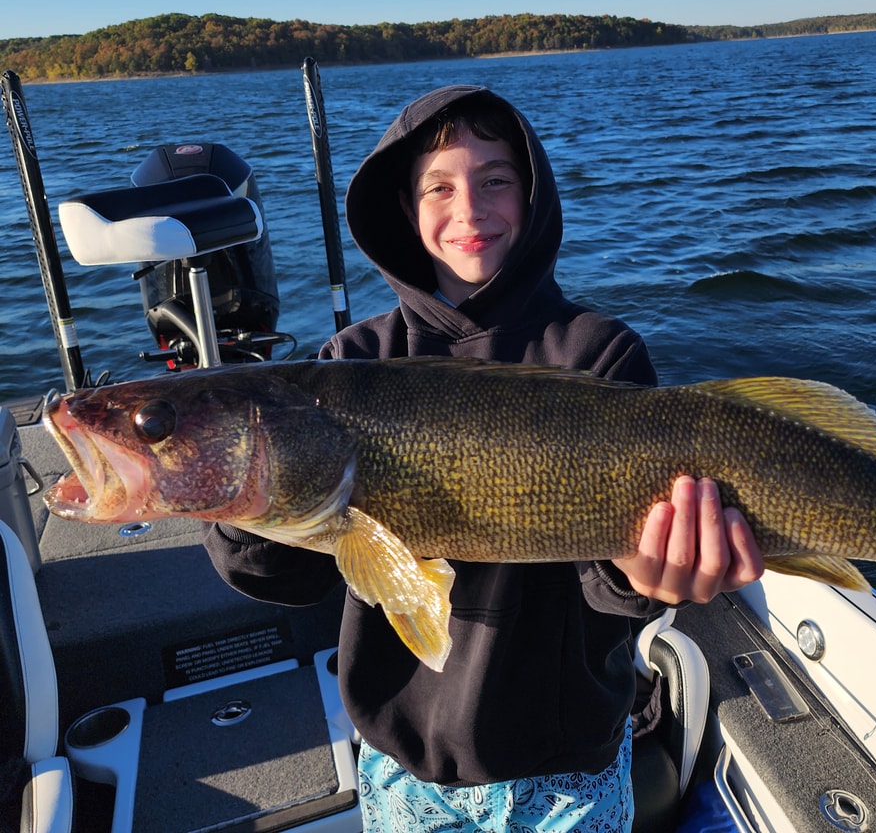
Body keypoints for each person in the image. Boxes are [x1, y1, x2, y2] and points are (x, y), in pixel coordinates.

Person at [203, 84, 763, 831]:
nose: (469, 209)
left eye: (495, 179)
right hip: (403, 763)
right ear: (405, 210)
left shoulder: (598, 353)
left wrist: (647, 580)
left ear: (532, 195)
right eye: (439, 186)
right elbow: (287, 574)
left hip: (566, 765)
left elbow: (617, 584)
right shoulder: (351, 361)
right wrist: (238, 502)